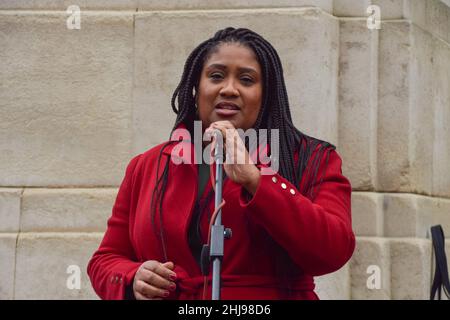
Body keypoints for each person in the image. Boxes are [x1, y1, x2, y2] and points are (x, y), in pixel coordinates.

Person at [87, 27, 355, 300]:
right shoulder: (147, 166)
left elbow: (333, 250)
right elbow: (105, 259)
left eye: (247, 79)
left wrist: (257, 180)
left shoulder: (312, 159)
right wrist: (134, 278)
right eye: (216, 76)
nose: (229, 89)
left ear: (266, 94)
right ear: (196, 87)